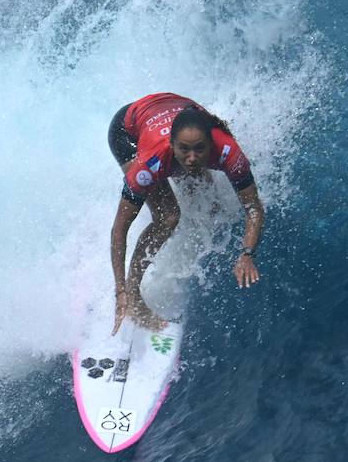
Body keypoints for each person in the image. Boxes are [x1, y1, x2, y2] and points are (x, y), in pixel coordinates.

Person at [108, 92, 265, 331]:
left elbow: (253, 207)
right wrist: (119, 290)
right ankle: (133, 294)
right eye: (184, 151)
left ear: (211, 144)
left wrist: (247, 254)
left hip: (171, 113)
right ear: (172, 145)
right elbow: (120, 229)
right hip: (127, 130)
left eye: (200, 150)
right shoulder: (150, 163)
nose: (192, 159)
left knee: (210, 205)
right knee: (169, 216)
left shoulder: (228, 152)